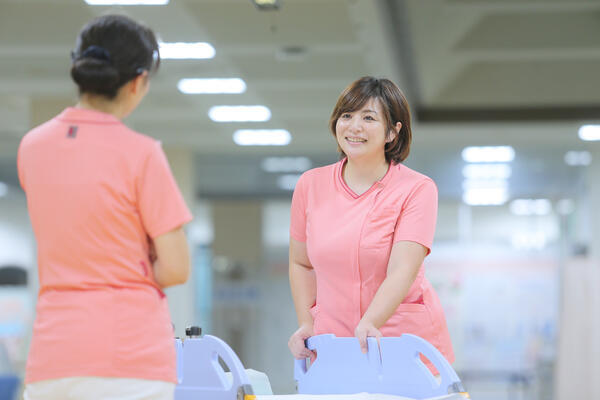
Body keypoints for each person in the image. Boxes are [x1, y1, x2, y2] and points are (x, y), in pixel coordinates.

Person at [18, 15, 192, 400]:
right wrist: (137, 260)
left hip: (54, 356)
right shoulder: (142, 154)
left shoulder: (31, 147)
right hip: (130, 358)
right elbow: (176, 267)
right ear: (138, 81)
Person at [287, 77, 454, 372]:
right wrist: (306, 322)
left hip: (400, 339)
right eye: (347, 116)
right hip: (334, 340)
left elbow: (403, 268)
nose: (354, 127)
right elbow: (301, 263)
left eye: (368, 118)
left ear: (392, 131)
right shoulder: (310, 185)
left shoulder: (417, 189)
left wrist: (370, 322)